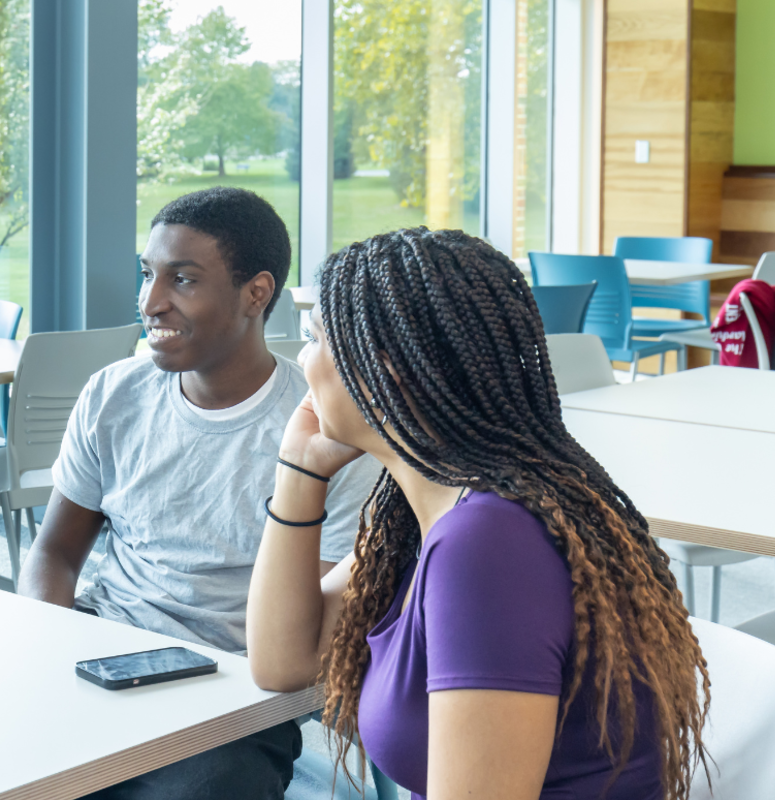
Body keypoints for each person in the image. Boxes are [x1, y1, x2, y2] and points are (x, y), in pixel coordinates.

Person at [247, 227, 710, 799]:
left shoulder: (488, 543)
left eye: (314, 336)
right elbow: (280, 663)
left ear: (383, 367)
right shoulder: (421, 515)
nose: (301, 356)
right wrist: (300, 470)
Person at [17, 186, 378, 800]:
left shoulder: (325, 434)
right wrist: (45, 653)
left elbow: (311, 634)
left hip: (236, 690)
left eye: (181, 279)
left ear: (255, 294)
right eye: (147, 275)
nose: (149, 302)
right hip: (104, 649)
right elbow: (54, 554)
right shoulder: (112, 394)